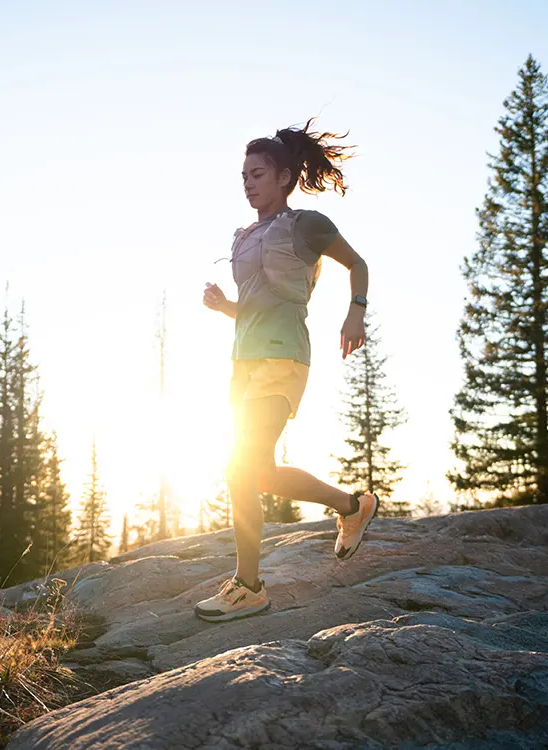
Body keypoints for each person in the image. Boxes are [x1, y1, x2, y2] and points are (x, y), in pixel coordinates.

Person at [195, 119, 379, 623]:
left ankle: (249, 587)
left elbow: (357, 262)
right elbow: (256, 308)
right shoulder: (243, 235)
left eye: (258, 173)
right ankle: (351, 505)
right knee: (257, 470)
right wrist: (225, 308)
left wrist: (356, 310)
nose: (249, 182)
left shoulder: (307, 225)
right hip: (243, 363)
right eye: (244, 175)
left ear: (282, 177)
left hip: (283, 358)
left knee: (241, 468)